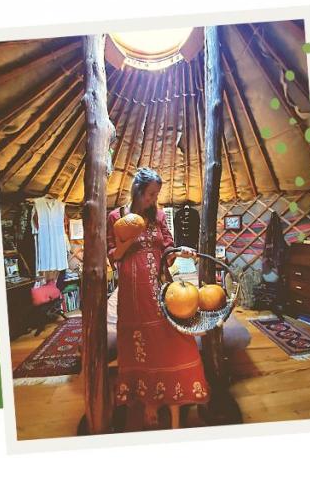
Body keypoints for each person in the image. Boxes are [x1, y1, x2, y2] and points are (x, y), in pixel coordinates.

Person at [107, 168, 209, 429]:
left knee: (173, 336)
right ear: (138, 192)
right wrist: (130, 239)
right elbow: (114, 256)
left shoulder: (160, 216)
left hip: (160, 284)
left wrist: (180, 251)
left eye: (156, 194)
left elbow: (168, 249)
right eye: (151, 194)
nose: (154, 199)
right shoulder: (117, 217)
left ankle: (174, 398)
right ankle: (147, 400)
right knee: (138, 341)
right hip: (131, 290)